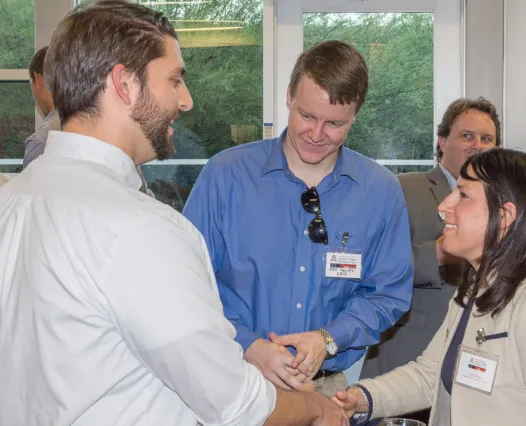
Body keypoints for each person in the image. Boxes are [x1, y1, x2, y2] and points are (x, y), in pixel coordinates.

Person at [0, 2, 349, 425]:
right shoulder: (142, 230)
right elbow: (237, 406)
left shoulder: (13, 199)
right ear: (124, 83)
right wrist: (316, 409)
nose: (185, 101)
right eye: (175, 80)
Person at [183, 40, 414, 397]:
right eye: (307, 116)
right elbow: (187, 282)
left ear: (356, 115)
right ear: (289, 96)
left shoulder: (380, 191)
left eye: (335, 123)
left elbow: (388, 294)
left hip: (324, 391)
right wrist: (248, 345)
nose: (317, 134)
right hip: (232, 382)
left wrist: (328, 339)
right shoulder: (225, 176)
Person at [334, 148, 526, 426]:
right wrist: (361, 399)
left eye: (463, 195)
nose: (444, 206)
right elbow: (430, 374)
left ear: (504, 216)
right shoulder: (473, 289)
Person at [360, 97, 501, 421]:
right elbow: (372, 270)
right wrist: (438, 255)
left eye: (487, 139)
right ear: (442, 140)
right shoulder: (404, 189)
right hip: (406, 362)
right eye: (467, 136)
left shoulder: (503, 206)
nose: (477, 145)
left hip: (476, 375)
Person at [23, 45, 152, 194]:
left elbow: (34, 205)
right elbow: (141, 193)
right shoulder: (113, 129)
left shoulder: (41, 140)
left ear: (38, 80)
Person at [23, 46, 61, 169]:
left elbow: (29, 188)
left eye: (31, 83)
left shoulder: (41, 141)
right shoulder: (93, 127)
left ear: (38, 80)